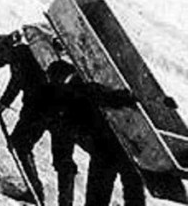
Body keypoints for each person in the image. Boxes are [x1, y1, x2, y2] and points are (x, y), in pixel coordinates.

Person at [46, 60, 144, 206]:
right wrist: (127, 97)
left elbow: (103, 97)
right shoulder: (84, 86)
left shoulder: (76, 89)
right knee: (131, 191)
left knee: (97, 197)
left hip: (103, 148)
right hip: (121, 145)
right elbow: (110, 97)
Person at [0, 31, 54, 204]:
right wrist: (2, 104)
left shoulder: (20, 54)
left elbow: (16, 82)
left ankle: (35, 191)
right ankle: (35, 189)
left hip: (38, 109)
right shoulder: (23, 53)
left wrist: (2, 105)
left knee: (20, 143)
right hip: (45, 109)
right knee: (21, 143)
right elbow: (15, 82)